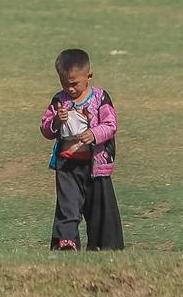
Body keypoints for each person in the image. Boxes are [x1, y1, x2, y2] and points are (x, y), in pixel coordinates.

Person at [39, 48, 123, 251]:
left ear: (89, 76)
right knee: (67, 206)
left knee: (100, 210)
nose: (70, 89)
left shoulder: (100, 98)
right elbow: (46, 129)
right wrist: (57, 120)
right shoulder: (59, 101)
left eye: (75, 83)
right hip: (67, 165)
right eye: (65, 84)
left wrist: (94, 134)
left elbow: (111, 124)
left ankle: (103, 248)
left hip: (96, 166)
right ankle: (65, 243)